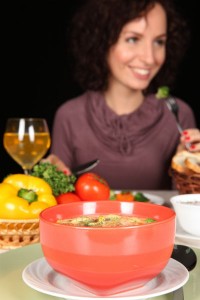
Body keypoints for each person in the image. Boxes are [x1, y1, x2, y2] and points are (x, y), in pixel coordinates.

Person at [45, 0, 200, 190]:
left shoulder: (179, 114)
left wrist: (190, 168)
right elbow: (58, 204)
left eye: (159, 42)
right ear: (102, 41)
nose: (150, 58)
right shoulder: (69, 116)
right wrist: (50, 177)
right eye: (133, 39)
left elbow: (188, 206)